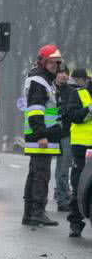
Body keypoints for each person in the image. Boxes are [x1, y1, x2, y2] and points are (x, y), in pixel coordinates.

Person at [22, 45, 64, 226]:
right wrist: (41, 135)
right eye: (52, 62)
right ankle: (37, 212)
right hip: (41, 137)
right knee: (41, 175)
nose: (56, 65)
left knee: (35, 174)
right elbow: (35, 110)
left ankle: (30, 213)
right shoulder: (40, 81)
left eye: (57, 62)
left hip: (41, 135)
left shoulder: (44, 80)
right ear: (43, 61)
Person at [65, 68, 92, 237]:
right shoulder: (79, 94)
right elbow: (72, 115)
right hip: (82, 147)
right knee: (78, 184)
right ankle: (75, 222)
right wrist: (88, 111)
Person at [54, 65, 73, 211]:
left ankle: (62, 198)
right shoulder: (50, 89)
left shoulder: (71, 91)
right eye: (61, 72)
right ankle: (61, 196)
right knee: (55, 169)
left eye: (66, 73)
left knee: (63, 168)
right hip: (52, 134)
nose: (64, 75)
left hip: (66, 133)